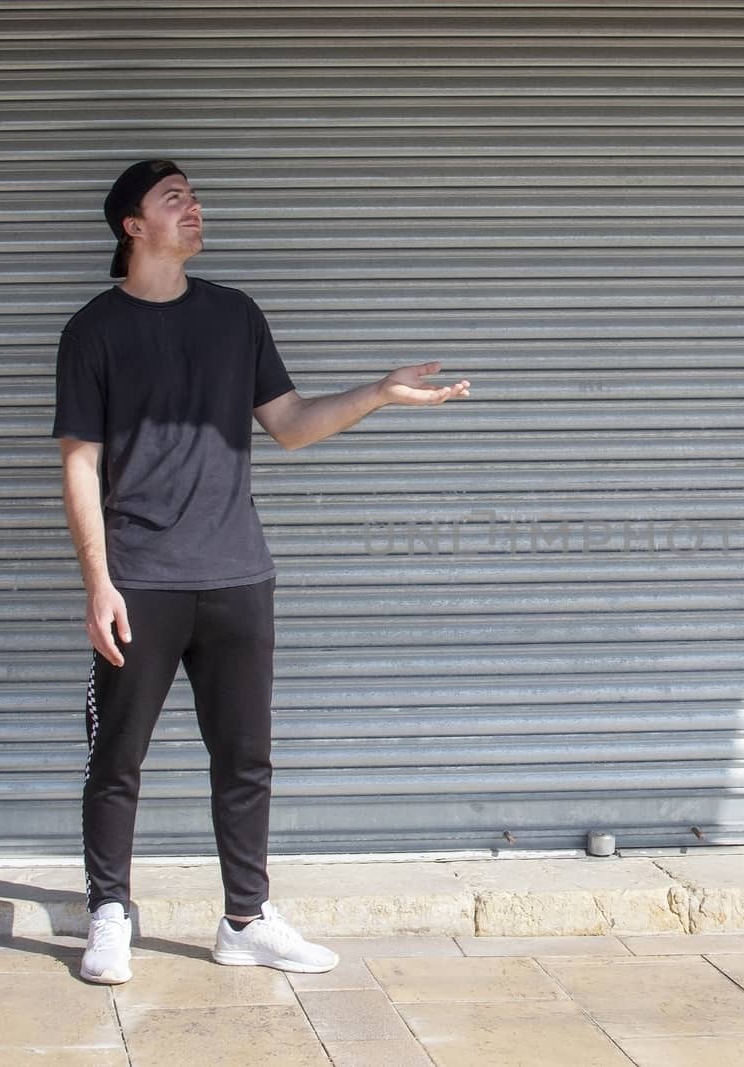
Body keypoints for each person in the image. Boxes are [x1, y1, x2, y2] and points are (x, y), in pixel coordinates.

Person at [52, 160, 469, 985]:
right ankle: (109, 912)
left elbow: (291, 424)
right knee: (118, 756)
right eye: (175, 198)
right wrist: (99, 582)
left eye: (193, 196)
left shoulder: (235, 316)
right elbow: (79, 464)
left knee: (245, 756)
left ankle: (245, 917)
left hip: (238, 571)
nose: (194, 207)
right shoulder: (92, 331)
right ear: (132, 226)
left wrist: (378, 394)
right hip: (142, 577)